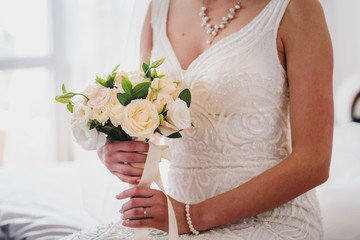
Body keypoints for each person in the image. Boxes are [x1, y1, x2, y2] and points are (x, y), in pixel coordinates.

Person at [63, 0, 333, 239]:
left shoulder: (296, 8)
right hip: (174, 216)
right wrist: (116, 148)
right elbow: (150, 120)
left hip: (270, 219)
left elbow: (314, 162)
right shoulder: (159, 8)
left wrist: (192, 216)